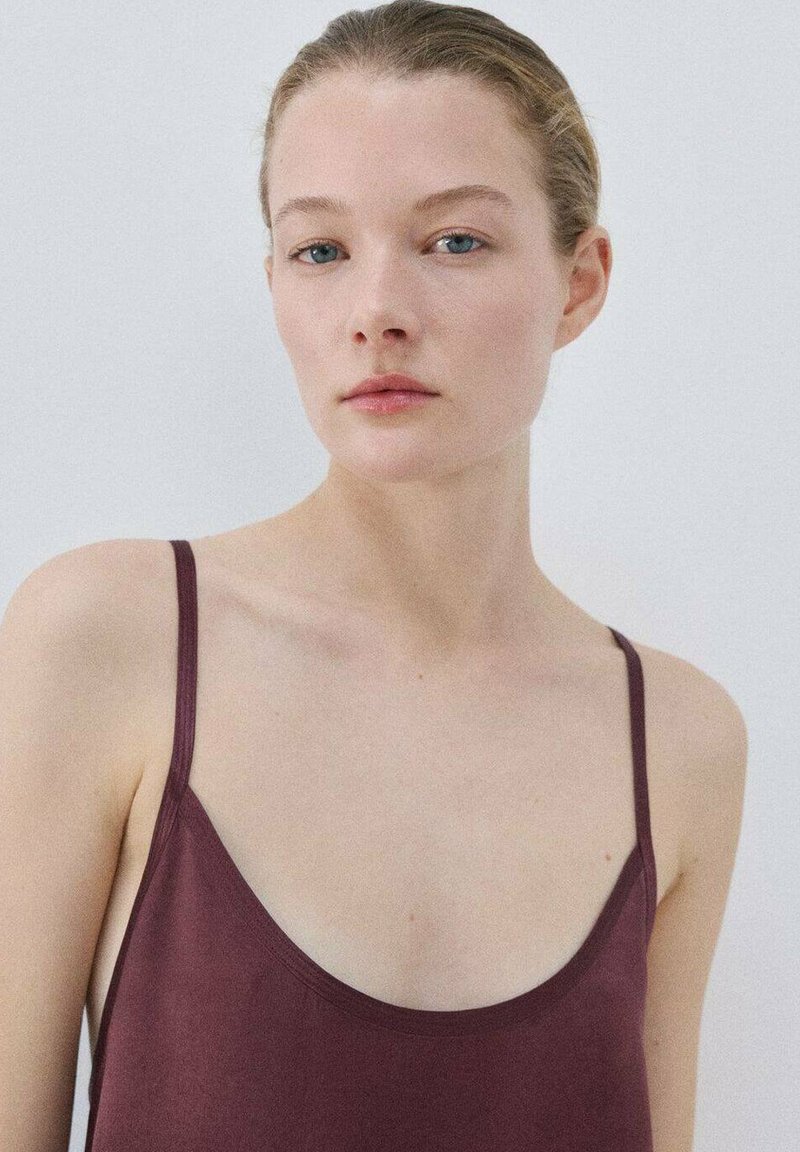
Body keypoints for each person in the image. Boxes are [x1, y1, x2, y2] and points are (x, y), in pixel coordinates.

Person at [1, 2, 747, 1149]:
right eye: (321, 250)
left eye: (454, 242)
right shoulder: (104, 641)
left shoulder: (679, 744)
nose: (377, 313)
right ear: (274, 283)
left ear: (578, 282)